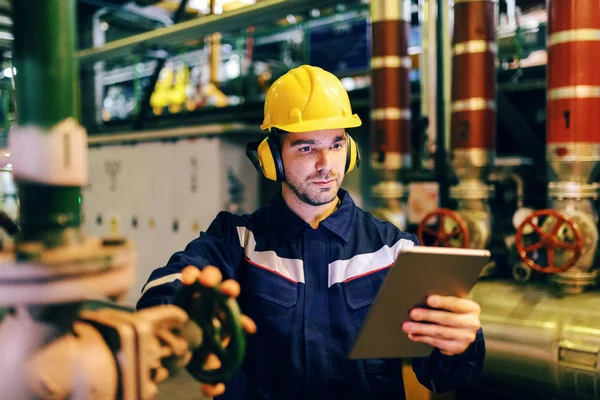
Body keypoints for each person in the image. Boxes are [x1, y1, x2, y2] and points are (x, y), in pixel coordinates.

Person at [137, 64, 485, 400]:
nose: (325, 164)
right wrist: (183, 316)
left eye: (336, 144)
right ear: (272, 157)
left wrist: (461, 343)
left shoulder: (393, 250)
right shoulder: (238, 241)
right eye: (306, 147)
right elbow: (164, 285)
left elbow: (441, 375)